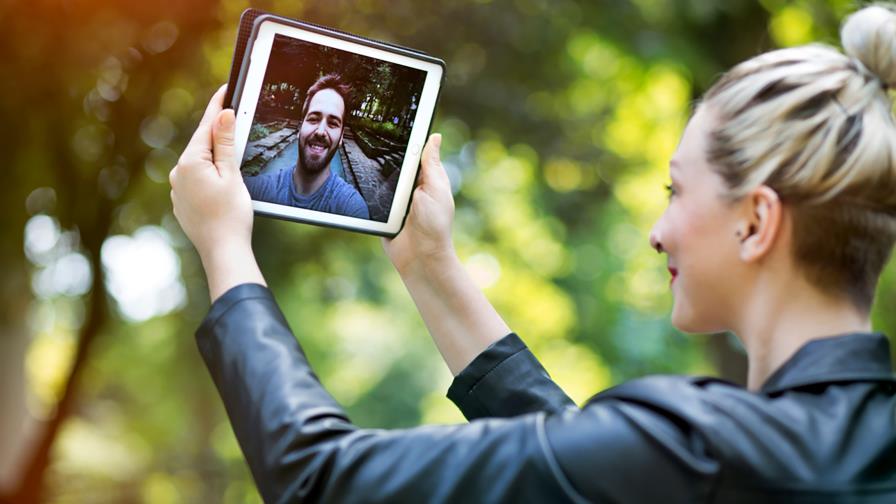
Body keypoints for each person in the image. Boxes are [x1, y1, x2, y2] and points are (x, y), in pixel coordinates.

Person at [169, 5, 896, 503]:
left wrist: (225, 247)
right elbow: (601, 468)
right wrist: (431, 266)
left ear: (757, 221)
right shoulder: (758, 454)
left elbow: (321, 480)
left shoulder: (700, 450)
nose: (658, 230)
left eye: (676, 191)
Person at [243, 73, 370, 219]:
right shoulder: (256, 191)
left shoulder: (351, 209)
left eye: (333, 123)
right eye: (314, 119)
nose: (321, 132)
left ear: (341, 137)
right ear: (299, 128)